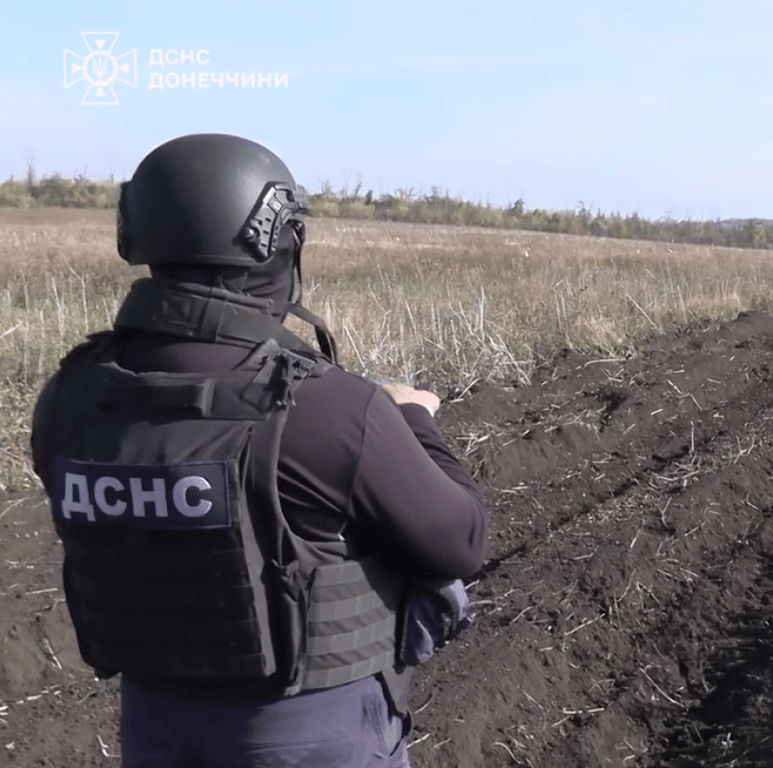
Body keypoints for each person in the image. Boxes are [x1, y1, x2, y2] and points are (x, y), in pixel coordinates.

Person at [28, 133, 489, 767]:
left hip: (155, 731)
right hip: (312, 737)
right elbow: (460, 539)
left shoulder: (71, 398)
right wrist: (415, 418)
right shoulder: (329, 408)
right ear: (277, 238)